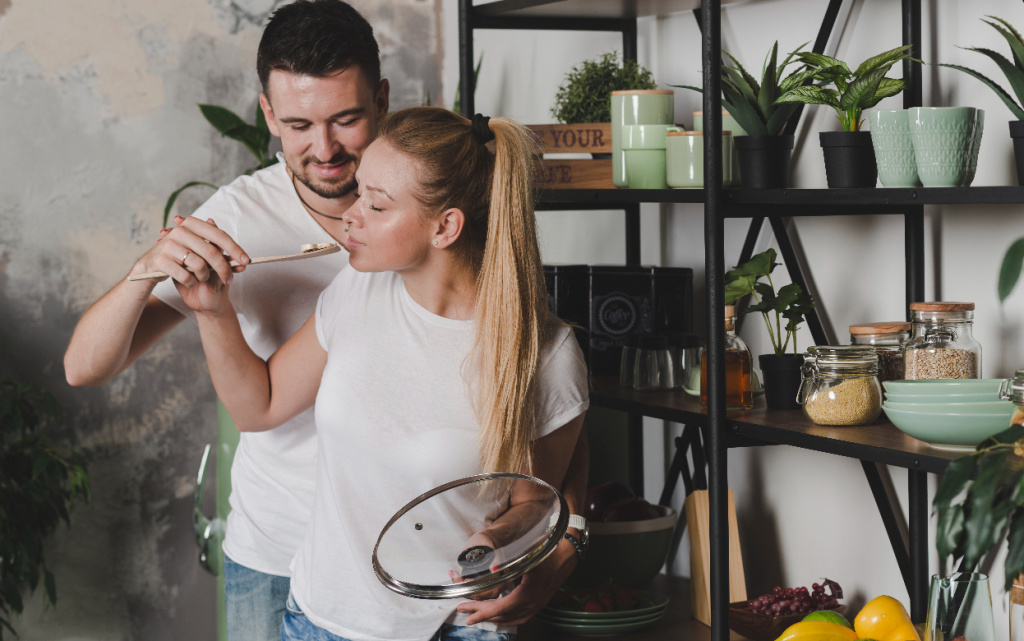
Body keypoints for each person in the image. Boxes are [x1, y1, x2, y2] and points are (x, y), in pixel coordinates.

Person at [64, 2, 589, 638]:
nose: (325, 149)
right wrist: (149, 272)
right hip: (285, 554)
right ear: (268, 115)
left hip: (436, 590)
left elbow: (540, 428)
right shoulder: (263, 232)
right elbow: (87, 368)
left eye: (346, 119)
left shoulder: (442, 208)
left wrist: (559, 542)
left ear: (381, 101)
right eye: (298, 125)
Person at [179, 106, 590, 641]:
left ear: (445, 227)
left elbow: (536, 500)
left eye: (376, 204)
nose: (350, 216)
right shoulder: (359, 289)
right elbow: (261, 405)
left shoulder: (546, 354)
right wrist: (212, 311)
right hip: (314, 621)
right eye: (358, 194)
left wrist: (499, 542)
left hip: (454, 628)